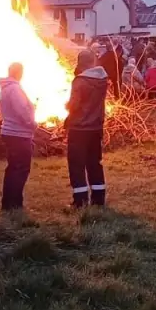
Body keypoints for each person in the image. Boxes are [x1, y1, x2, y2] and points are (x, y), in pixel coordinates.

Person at [64, 49, 109, 207]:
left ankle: (80, 201)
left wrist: (67, 107)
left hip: (79, 129)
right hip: (96, 127)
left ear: (80, 62)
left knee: (76, 164)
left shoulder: (80, 81)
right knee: (94, 163)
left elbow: (75, 104)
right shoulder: (103, 79)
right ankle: (98, 199)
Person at [0, 62, 35, 211]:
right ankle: (14, 205)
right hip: (18, 134)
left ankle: (9, 204)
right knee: (20, 169)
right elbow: (22, 110)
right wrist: (32, 123)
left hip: (10, 132)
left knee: (13, 168)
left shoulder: (6, 88)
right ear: (19, 72)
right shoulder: (14, 89)